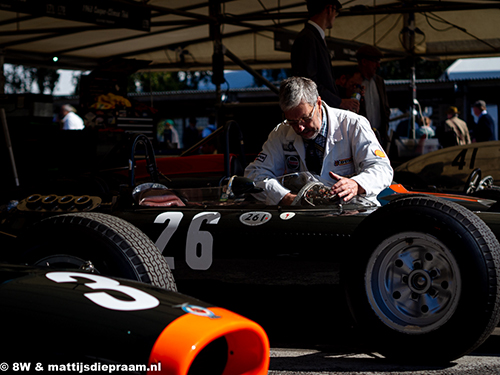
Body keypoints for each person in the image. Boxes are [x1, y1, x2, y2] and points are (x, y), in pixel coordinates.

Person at [244, 76, 393, 206]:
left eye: (305, 119)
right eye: (292, 121)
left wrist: (357, 184)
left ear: (319, 104)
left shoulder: (353, 124)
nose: (300, 128)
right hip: (306, 219)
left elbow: (382, 169)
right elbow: (254, 175)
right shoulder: (281, 132)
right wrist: (283, 197)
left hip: (353, 214)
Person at [291, 0, 359, 112]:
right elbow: (309, 83)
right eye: (336, 12)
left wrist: (345, 93)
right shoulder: (308, 38)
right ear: (329, 9)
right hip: (316, 113)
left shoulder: (312, 37)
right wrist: (339, 102)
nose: (335, 17)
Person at [356, 45, 391, 149]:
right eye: (375, 61)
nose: (378, 66)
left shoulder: (379, 81)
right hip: (360, 138)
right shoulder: (353, 81)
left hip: (379, 138)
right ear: (364, 62)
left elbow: (385, 109)